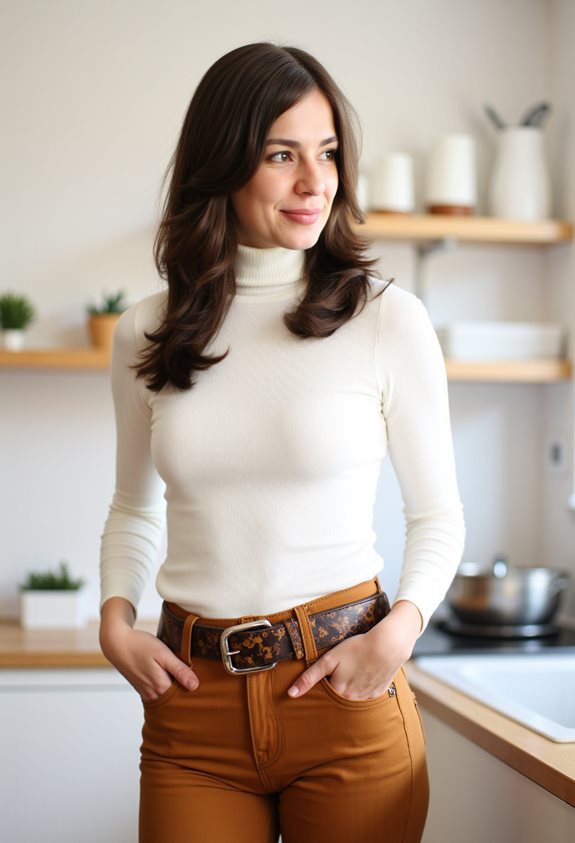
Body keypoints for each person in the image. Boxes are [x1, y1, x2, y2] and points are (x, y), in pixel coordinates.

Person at [99, 42, 465, 843]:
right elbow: (133, 506)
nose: (315, 182)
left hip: (345, 696)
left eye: (328, 153)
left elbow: (437, 514)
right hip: (189, 712)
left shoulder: (385, 320)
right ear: (224, 164)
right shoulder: (144, 333)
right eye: (282, 155)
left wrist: (397, 633)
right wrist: (115, 619)